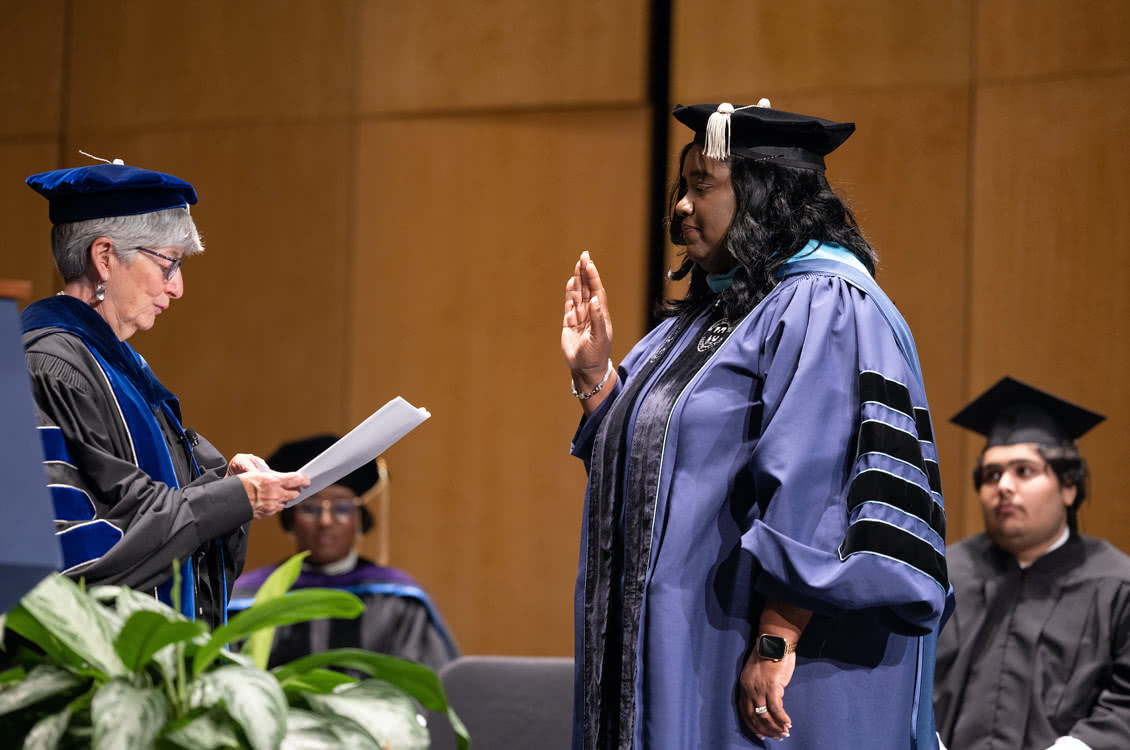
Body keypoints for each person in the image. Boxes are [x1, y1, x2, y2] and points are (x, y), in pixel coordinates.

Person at [562, 100, 951, 749]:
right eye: (680, 188)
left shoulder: (824, 305)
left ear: (763, 194)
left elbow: (819, 481)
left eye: (700, 185)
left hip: (773, 659)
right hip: (692, 645)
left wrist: (777, 636)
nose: (681, 207)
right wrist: (599, 381)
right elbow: (655, 476)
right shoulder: (705, 318)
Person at [20, 160, 309, 628]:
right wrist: (232, 500)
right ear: (104, 257)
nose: (176, 288)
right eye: (168, 263)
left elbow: (137, 507)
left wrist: (223, 485)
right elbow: (78, 550)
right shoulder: (50, 368)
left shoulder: (118, 366)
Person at [934, 377, 1130, 750]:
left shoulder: (1116, 585)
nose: (1003, 486)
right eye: (992, 475)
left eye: (1024, 471)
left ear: (1068, 487)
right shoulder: (944, 574)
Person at [229, 435, 458, 671]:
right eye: (310, 508)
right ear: (290, 520)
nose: (325, 521)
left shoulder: (398, 599)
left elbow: (427, 687)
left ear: (359, 521)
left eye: (341, 508)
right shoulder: (250, 598)